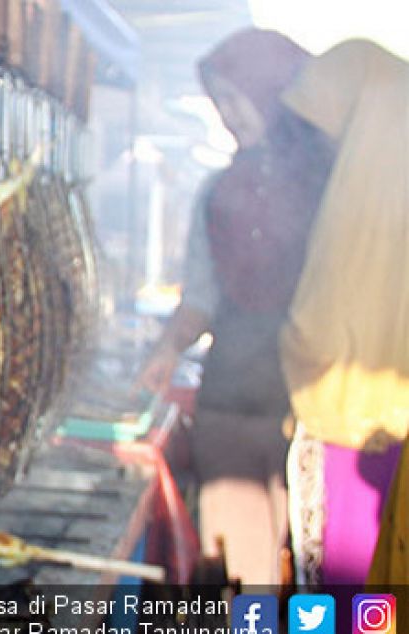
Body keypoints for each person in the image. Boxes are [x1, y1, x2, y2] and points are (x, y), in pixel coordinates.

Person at [138, 29, 333, 588]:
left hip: (314, 412)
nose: (226, 115)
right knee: (246, 575)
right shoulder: (218, 193)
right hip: (231, 406)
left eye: (235, 98)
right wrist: (168, 347)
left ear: (273, 90)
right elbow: (201, 296)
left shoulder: (334, 187)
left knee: (321, 576)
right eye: (218, 102)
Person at [270, 40, 409, 591]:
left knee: (346, 591)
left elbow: (317, 331)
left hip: (349, 432)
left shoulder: (355, 208)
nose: (318, 150)